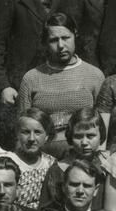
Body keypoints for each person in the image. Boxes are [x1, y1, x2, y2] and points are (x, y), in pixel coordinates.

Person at [16, 13, 103, 141]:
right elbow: (22, 126)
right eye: (53, 40)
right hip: (44, 148)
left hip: (82, 147)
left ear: (75, 35)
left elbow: (102, 126)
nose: (61, 45)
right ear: (46, 42)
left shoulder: (94, 75)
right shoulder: (31, 78)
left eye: (66, 38)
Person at [6, 109, 56, 211]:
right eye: (26, 132)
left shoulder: (51, 163)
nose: (31, 138)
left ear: (46, 136)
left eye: (37, 132)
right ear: (17, 134)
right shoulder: (7, 162)